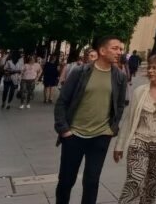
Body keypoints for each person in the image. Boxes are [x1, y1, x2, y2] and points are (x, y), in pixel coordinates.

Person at [54, 36, 127, 204]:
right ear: (102, 51)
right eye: (115, 48)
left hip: (101, 137)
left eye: (120, 49)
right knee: (66, 181)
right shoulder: (80, 72)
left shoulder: (119, 77)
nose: (119, 52)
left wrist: (112, 129)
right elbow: (62, 102)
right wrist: (64, 130)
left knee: (91, 182)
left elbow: (120, 105)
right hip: (74, 136)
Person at [113, 54, 156, 204]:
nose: (150, 70)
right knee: (134, 181)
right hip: (139, 142)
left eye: (154, 68)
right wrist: (119, 146)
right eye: (149, 67)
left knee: (152, 186)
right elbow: (129, 120)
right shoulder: (140, 91)